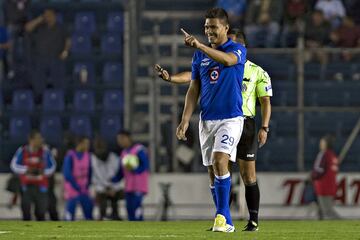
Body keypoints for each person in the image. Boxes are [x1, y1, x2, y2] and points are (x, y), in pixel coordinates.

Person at [155, 28, 272, 231]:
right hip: (218, 118)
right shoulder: (216, 60)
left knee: (247, 175)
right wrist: (172, 78)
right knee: (214, 169)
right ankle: (223, 217)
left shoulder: (256, 71)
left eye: (233, 44)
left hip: (244, 123)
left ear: (241, 47)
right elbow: (195, 78)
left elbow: (265, 101)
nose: (227, 47)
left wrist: (264, 127)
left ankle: (252, 219)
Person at [175, 8, 246, 232]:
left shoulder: (238, 49)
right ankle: (225, 220)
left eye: (213, 27)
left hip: (231, 118)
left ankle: (221, 216)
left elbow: (226, 61)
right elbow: (194, 88)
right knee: (212, 171)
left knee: (219, 160)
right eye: (206, 27)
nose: (209, 31)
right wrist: (185, 120)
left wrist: (200, 46)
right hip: (207, 120)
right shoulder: (199, 56)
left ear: (225, 28)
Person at [25, 8, 70, 101]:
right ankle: (39, 101)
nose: (47, 17)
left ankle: (60, 100)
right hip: (40, 58)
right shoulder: (39, 27)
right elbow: (27, 28)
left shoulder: (61, 27)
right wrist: (39, 19)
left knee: (59, 82)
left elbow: (68, 40)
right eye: (46, 15)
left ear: (54, 16)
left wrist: (65, 51)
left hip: (56, 58)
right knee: (38, 83)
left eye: (49, 15)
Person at [10, 130, 56, 221]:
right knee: (26, 211)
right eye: (38, 138)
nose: (41, 140)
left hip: (41, 186)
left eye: (41, 138)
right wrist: (26, 170)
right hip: (26, 186)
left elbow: (53, 166)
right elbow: (13, 165)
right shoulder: (22, 150)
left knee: (41, 212)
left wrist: (43, 172)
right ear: (31, 140)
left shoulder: (45, 152)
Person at [116, 130, 150, 221]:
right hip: (129, 186)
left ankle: (140, 227)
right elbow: (121, 172)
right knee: (129, 209)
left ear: (128, 138)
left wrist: (134, 169)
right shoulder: (123, 153)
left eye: (122, 139)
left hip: (139, 185)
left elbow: (145, 166)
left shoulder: (139, 150)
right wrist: (113, 179)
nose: (120, 141)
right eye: (119, 139)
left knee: (137, 207)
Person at [92, 136, 123, 220]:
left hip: (114, 188)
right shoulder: (93, 159)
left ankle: (116, 216)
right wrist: (103, 188)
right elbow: (94, 178)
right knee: (102, 201)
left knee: (115, 200)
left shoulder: (114, 158)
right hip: (101, 189)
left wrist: (113, 188)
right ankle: (102, 217)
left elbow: (118, 175)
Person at [62, 136, 93, 221]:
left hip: (84, 188)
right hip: (72, 188)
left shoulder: (88, 156)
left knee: (88, 210)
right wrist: (75, 186)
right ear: (80, 144)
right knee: (70, 212)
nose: (88, 146)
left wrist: (87, 184)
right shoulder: (70, 156)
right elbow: (67, 174)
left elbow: (90, 172)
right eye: (86, 143)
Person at [311, 135, 340, 220]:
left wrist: (311, 177)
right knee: (321, 211)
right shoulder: (333, 155)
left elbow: (318, 170)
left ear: (326, 144)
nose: (320, 144)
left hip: (323, 187)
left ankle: (347, 227)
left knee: (327, 211)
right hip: (331, 186)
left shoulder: (323, 154)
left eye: (322, 142)